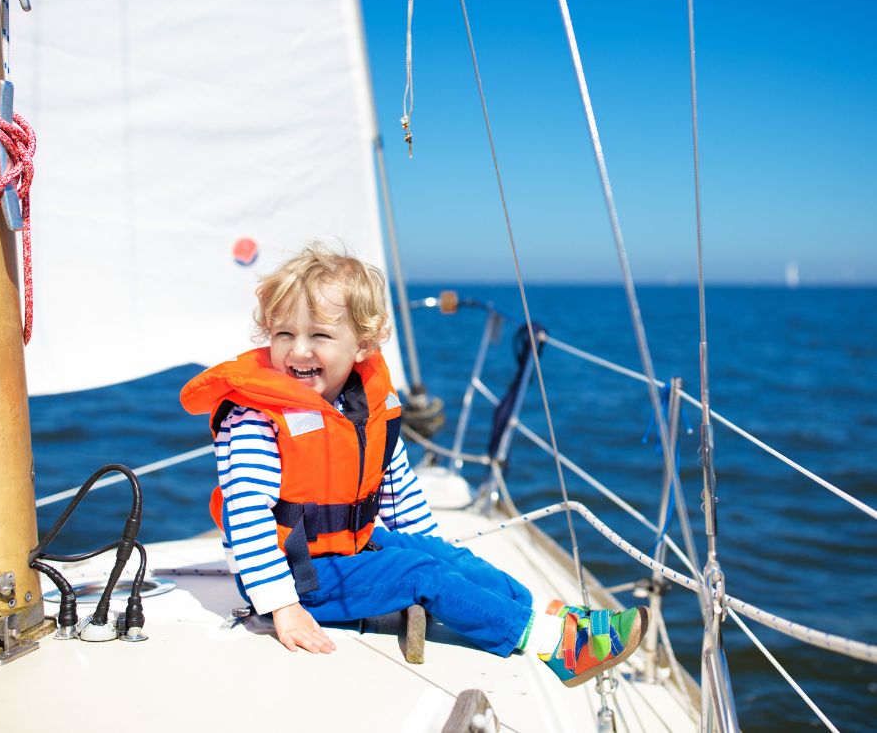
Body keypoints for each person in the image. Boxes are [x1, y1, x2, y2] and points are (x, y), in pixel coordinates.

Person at [180, 243, 648, 686]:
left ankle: (553, 617)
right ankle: (557, 647)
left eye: (319, 335)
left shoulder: (364, 405)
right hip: (295, 576)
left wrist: (428, 545)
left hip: (348, 550)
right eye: (284, 334)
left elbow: (396, 486)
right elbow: (247, 512)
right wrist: (281, 605)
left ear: (362, 344)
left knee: (442, 557)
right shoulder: (255, 416)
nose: (298, 351)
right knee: (423, 576)